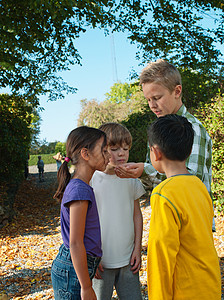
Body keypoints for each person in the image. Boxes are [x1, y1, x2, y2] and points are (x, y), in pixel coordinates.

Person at [115, 59, 215, 231]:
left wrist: (144, 170)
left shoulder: (194, 129)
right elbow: (154, 178)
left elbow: (191, 180)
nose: (152, 105)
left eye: (157, 98)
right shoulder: (158, 130)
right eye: (148, 100)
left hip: (193, 223)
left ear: (177, 91)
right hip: (168, 220)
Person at [146, 114, 221, 299]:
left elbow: (160, 256)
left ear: (155, 153)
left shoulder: (164, 194)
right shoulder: (199, 186)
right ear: (188, 152)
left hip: (185, 291)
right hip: (210, 285)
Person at [51, 126, 110, 300]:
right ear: (86, 154)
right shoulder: (80, 190)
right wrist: (86, 286)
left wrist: (93, 259)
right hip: (71, 272)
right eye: (104, 150)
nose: (109, 156)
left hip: (77, 264)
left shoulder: (81, 186)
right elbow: (75, 242)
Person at [91, 122, 146, 300]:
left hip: (128, 259)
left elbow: (137, 215)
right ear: (102, 149)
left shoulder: (131, 178)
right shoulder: (91, 180)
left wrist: (138, 248)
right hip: (100, 261)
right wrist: (91, 255)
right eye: (114, 149)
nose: (121, 153)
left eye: (125, 148)